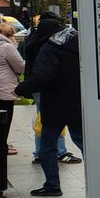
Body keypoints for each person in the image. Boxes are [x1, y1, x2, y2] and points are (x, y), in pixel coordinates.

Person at [14, 22, 83, 197]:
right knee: (84, 143)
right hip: (77, 104)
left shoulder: (50, 47)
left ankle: (52, 185)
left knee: (47, 147)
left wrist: (20, 89)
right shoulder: (80, 44)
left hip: (55, 106)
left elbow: (43, 77)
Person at [22, 13, 79, 165]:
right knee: (55, 122)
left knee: (42, 120)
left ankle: (40, 153)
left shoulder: (33, 39)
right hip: (51, 88)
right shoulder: (50, 43)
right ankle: (60, 151)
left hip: (38, 86)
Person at [0, 20, 24, 159]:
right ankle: (1, 147)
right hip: (3, 89)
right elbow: (20, 66)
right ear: (9, 35)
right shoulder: (7, 47)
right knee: (5, 121)